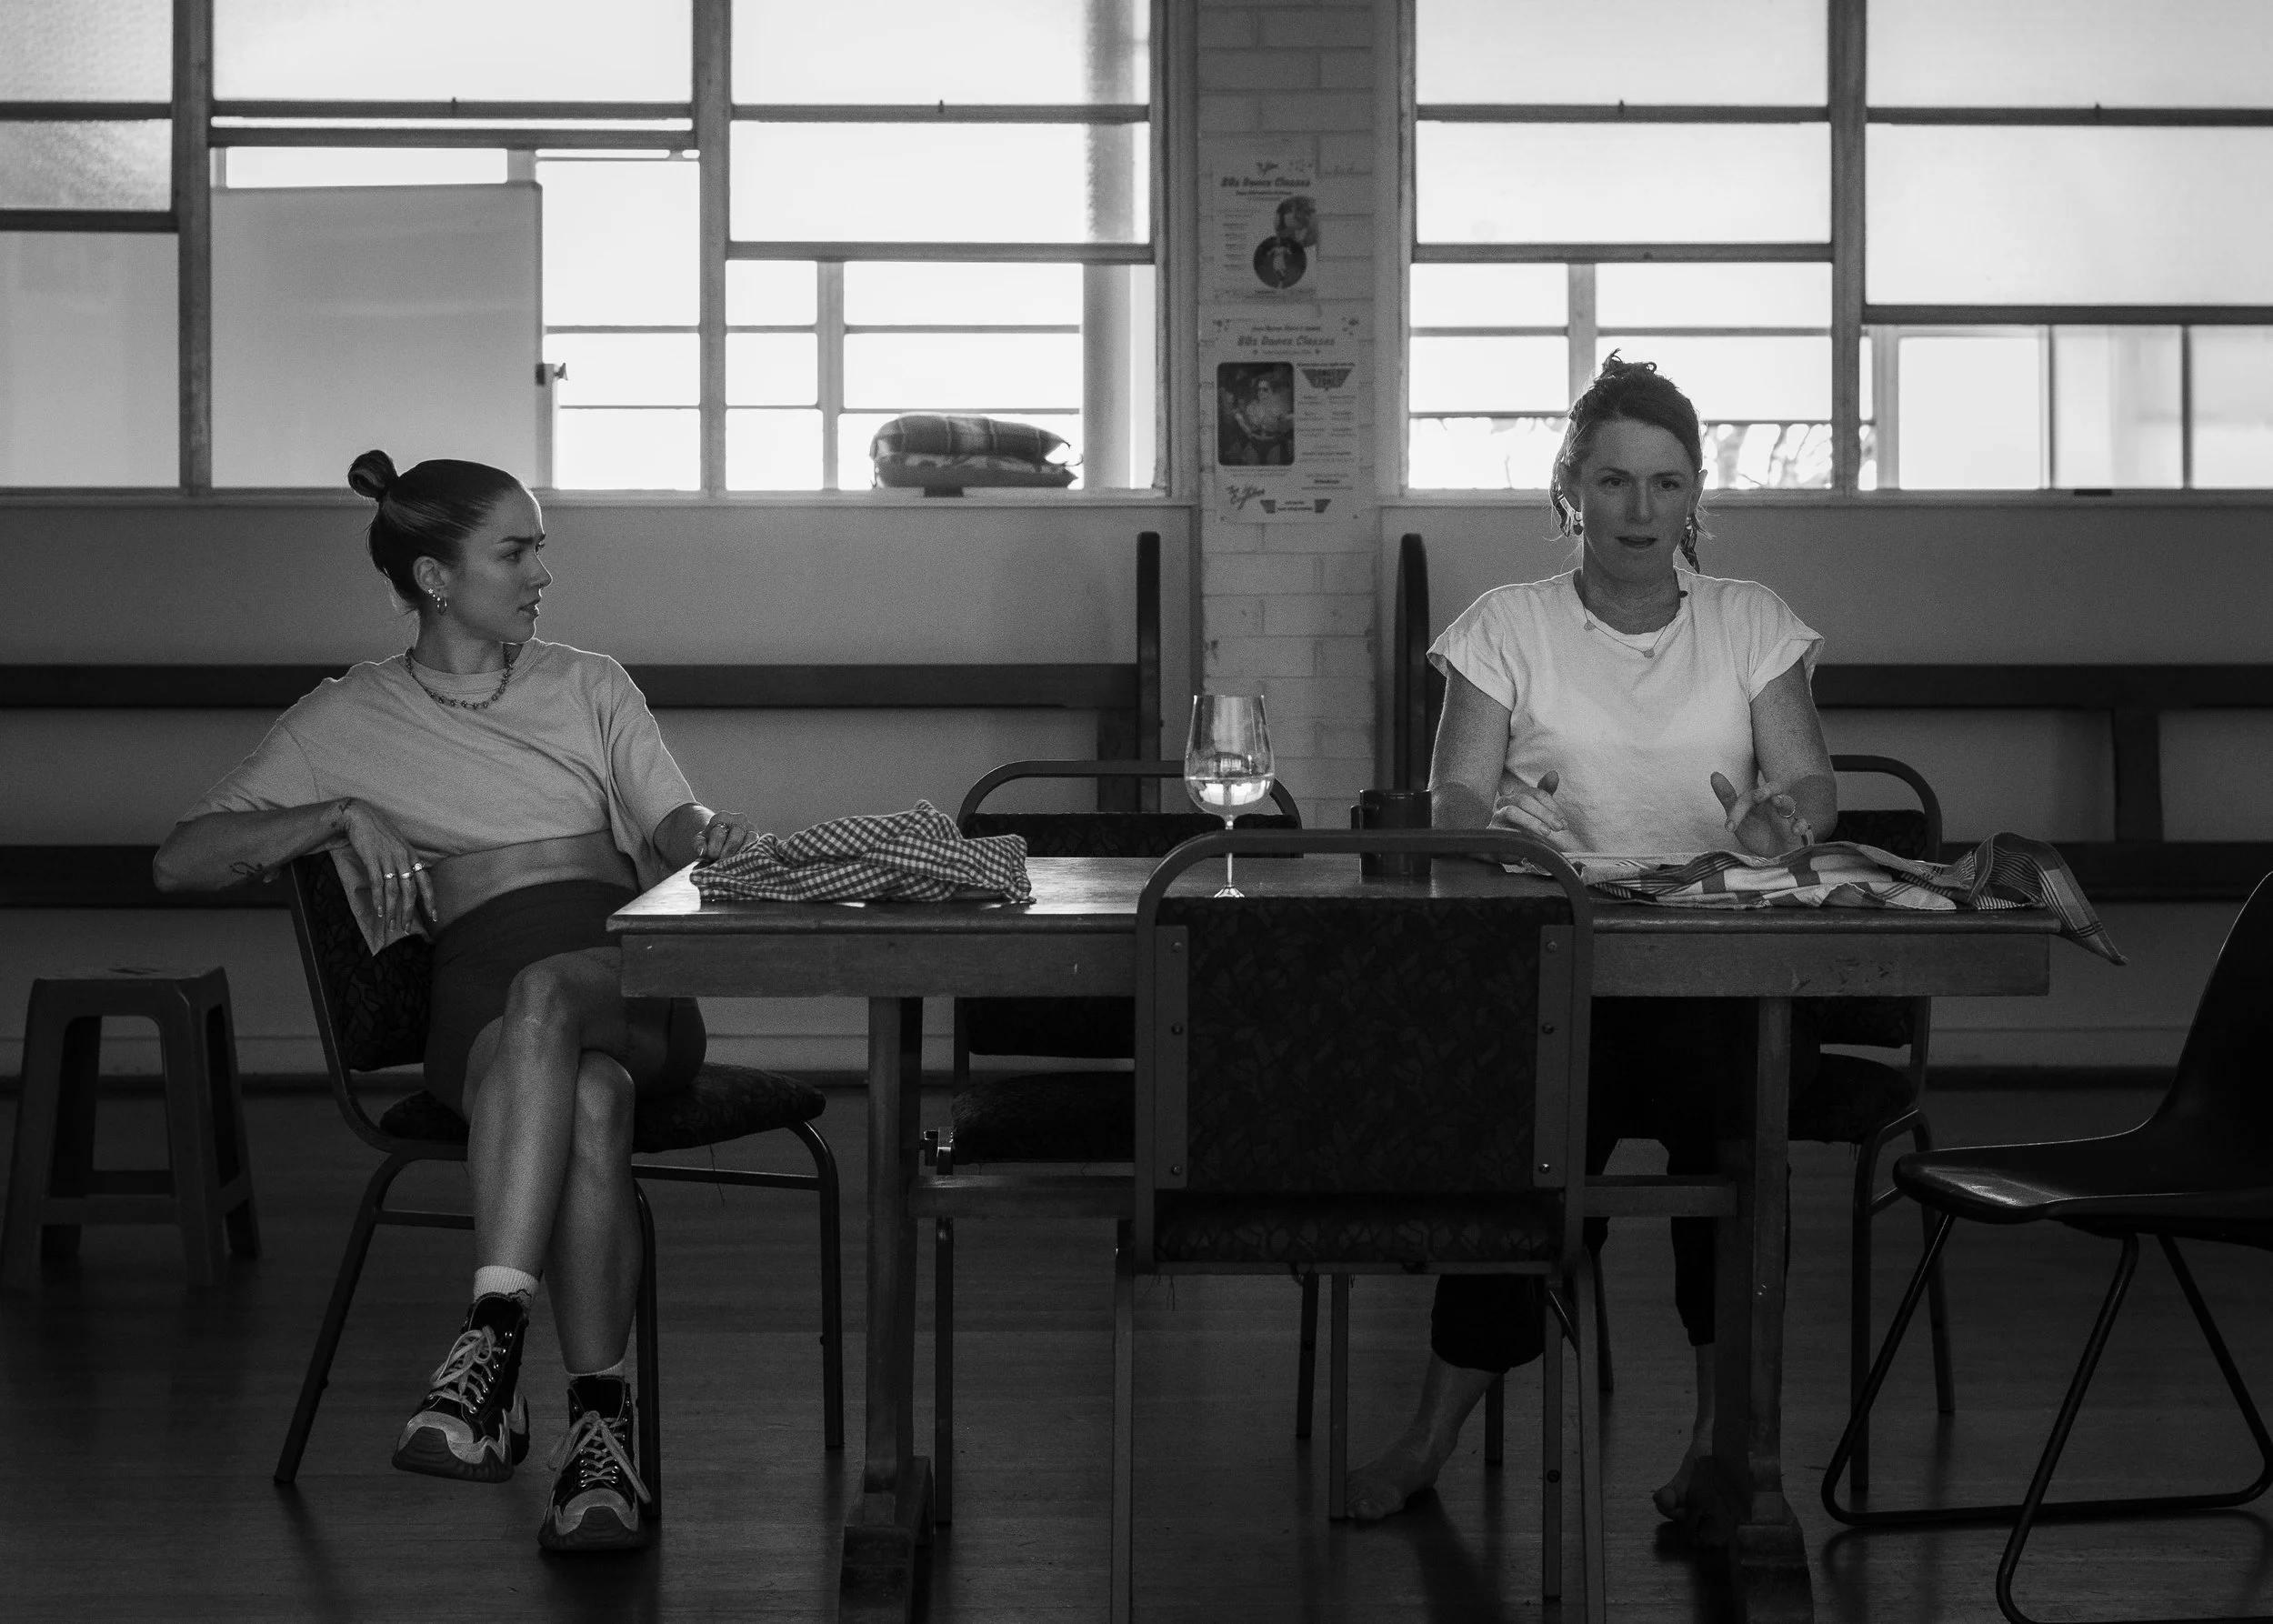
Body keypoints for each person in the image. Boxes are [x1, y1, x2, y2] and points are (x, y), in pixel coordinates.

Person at [153, 451, 759, 1554]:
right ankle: (598, 1440)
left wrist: (703, 832)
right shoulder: (344, 716)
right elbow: (181, 860)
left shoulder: (589, 683)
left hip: (621, 974)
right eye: (515, 552)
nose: (542, 575)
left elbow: (672, 821)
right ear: (435, 577)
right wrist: (334, 813)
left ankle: (488, 1341)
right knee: (588, 1100)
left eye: (540, 550)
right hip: (478, 1005)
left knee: (550, 997)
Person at [1345, 355, 1837, 1522]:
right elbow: (1454, 800)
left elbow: (1810, 786)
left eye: (1665, 484)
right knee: (1517, 1143)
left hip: (1717, 973)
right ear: (1570, 488)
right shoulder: (1505, 624)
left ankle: (1723, 1442)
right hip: (1558, 970)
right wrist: (1490, 828)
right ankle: (1430, 1432)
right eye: (1613, 481)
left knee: (1739, 1140)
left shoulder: (1748, 618)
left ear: (1694, 493)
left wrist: (1784, 820)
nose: (1639, 509)